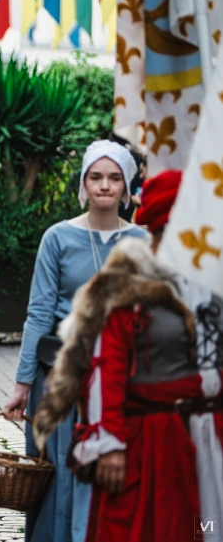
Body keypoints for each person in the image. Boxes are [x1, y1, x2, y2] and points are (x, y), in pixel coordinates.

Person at [32, 169, 223, 542]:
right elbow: (105, 368)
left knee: (205, 526)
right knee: (147, 530)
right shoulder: (129, 285)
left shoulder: (209, 284)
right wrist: (109, 444)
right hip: (148, 442)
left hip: (207, 437)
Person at [3, 139, 146, 542]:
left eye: (114, 177)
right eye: (96, 177)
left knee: (116, 470)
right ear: (84, 183)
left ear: (126, 185)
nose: (105, 185)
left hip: (122, 379)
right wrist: (22, 383)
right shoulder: (57, 238)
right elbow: (39, 313)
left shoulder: (143, 242)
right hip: (61, 378)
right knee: (61, 472)